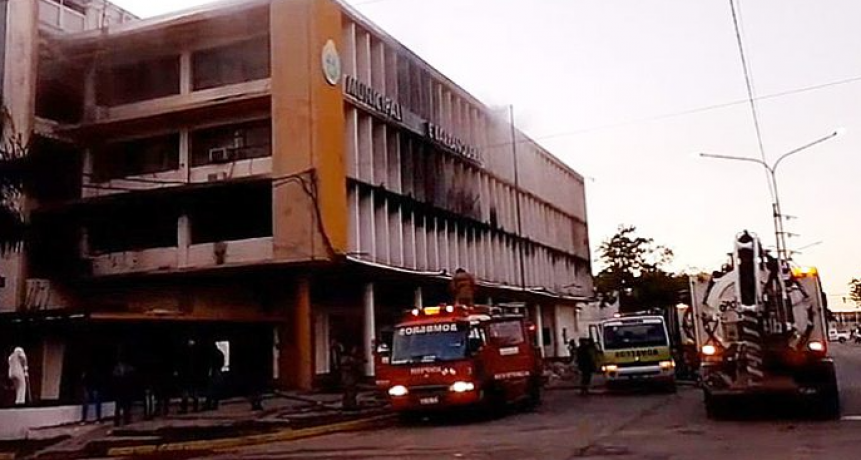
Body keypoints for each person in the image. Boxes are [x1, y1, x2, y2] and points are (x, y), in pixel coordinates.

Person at [111, 352, 136, 427]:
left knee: (126, 407)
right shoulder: (117, 370)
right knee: (119, 407)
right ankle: (118, 422)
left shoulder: (129, 369)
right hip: (120, 391)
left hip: (126, 390)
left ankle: (126, 420)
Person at [340, 345, 362, 411]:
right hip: (349, 379)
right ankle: (351, 405)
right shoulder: (349, 359)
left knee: (348, 392)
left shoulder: (345, 358)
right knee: (350, 392)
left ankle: (347, 405)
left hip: (347, 379)